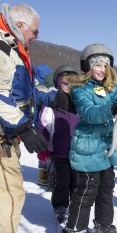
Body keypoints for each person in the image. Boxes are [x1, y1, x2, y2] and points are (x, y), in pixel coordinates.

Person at [0, 3, 75, 233]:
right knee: (7, 194)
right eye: (35, 31)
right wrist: (24, 128)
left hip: (0, 131)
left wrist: (55, 97)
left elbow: (24, 92)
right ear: (19, 25)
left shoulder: (11, 48)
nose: (37, 36)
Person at [62, 44, 117, 233]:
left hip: (106, 149)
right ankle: (74, 231)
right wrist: (112, 109)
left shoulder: (112, 88)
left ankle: (103, 224)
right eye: (97, 65)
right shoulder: (81, 90)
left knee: (106, 189)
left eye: (105, 65)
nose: (101, 69)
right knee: (86, 191)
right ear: (88, 67)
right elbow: (90, 113)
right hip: (88, 147)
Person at [39, 65, 80, 224]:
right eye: (65, 83)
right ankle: (60, 206)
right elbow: (44, 126)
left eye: (72, 83)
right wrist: (44, 148)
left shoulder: (79, 104)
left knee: (77, 181)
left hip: (78, 152)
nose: (68, 86)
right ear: (57, 84)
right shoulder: (52, 105)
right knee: (62, 181)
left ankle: (75, 206)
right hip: (59, 151)